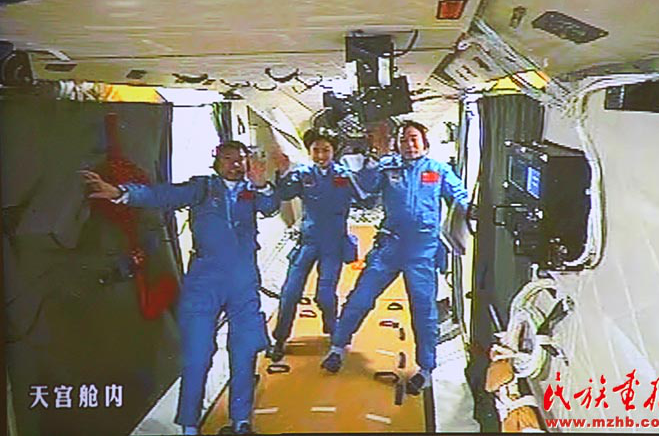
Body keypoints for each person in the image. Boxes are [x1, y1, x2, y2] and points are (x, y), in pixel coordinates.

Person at [81, 140, 279, 435]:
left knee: (245, 350)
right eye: (228, 159)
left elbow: (271, 206)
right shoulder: (202, 188)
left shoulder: (253, 191)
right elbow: (162, 195)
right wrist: (121, 193)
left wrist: (262, 183)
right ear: (216, 162)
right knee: (197, 354)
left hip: (243, 282)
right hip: (204, 281)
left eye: (240, 159)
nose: (235, 164)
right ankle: (189, 426)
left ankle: (241, 422)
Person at [320, 121, 469, 396]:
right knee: (360, 298)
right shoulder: (387, 167)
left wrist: (471, 210)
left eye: (413, 138)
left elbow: (460, 197)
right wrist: (375, 158)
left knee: (424, 311)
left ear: (424, 142)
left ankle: (425, 369)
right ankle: (337, 348)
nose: (409, 144)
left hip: (422, 251)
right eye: (403, 140)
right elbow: (365, 192)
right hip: (389, 247)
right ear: (396, 145)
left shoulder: (438, 170)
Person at [268, 129, 362, 362]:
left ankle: (333, 332)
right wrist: (283, 171)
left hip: (333, 244)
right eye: (316, 150)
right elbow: (285, 194)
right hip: (308, 242)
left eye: (326, 150)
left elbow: (366, 198)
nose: (321, 155)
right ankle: (280, 339)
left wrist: (366, 171)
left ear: (333, 151)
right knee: (289, 293)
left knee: (325, 295)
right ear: (309, 152)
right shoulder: (302, 174)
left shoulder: (345, 176)